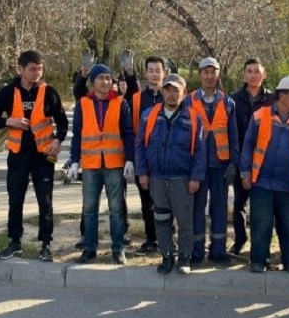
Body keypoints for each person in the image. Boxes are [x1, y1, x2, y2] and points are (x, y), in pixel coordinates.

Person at [0, 50, 68, 262]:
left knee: (45, 201)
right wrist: (8, 121)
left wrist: (57, 141)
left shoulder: (49, 93)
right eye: (32, 69)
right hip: (18, 156)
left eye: (40, 69)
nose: (37, 73)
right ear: (20, 69)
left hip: (43, 156)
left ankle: (46, 244)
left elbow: (62, 122)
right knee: (15, 199)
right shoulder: (7, 93)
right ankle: (15, 242)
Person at [240, 76, 289, 274]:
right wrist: (245, 172)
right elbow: (248, 145)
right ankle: (258, 260)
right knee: (261, 223)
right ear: (282, 95)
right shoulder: (260, 116)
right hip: (262, 182)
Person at [135, 73, 206, 275]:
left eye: (176, 90)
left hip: (182, 180)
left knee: (185, 222)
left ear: (184, 93)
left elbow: (200, 151)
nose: (172, 94)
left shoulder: (193, 118)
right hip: (157, 178)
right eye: (168, 89)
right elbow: (139, 146)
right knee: (161, 220)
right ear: (162, 91)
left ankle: (184, 257)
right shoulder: (149, 116)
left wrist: (195, 178)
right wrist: (142, 172)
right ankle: (167, 255)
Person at [68, 64, 135, 265]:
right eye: (100, 78)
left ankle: (118, 249)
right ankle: (89, 249)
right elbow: (77, 134)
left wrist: (130, 159)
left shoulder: (120, 103)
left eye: (108, 78)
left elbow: (128, 133)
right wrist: (74, 160)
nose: (105, 82)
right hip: (91, 165)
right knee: (89, 209)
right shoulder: (83, 103)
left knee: (116, 209)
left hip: (114, 163)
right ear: (92, 82)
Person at [184, 56, 239, 266]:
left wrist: (234, 163)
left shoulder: (228, 102)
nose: (209, 76)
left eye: (213, 72)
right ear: (199, 75)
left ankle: (218, 251)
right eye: (205, 72)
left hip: (220, 166)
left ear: (218, 75)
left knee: (219, 208)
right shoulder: (189, 101)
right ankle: (196, 252)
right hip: (197, 167)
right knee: (197, 209)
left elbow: (233, 136)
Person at [229, 58, 274, 255]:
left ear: (264, 75)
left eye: (257, 71)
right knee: (239, 203)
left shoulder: (272, 100)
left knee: (261, 206)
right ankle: (240, 240)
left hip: (265, 162)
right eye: (249, 71)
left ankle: (259, 243)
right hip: (241, 159)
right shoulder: (233, 100)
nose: (253, 75)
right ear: (244, 75)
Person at [125, 55, 168, 256]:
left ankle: (168, 239)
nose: (154, 74)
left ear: (164, 73)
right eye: (151, 70)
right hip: (144, 159)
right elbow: (132, 132)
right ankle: (151, 239)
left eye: (158, 70)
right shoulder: (136, 99)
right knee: (147, 202)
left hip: (168, 159)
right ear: (145, 73)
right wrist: (133, 159)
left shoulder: (173, 95)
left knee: (167, 201)